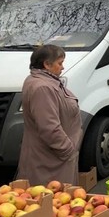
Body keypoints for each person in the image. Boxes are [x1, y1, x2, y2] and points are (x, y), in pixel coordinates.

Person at [17, 45, 83, 185]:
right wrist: (68, 150)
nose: (63, 67)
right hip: (50, 163)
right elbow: (49, 127)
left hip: (53, 159)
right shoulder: (42, 88)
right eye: (60, 63)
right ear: (47, 64)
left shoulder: (43, 82)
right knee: (50, 197)